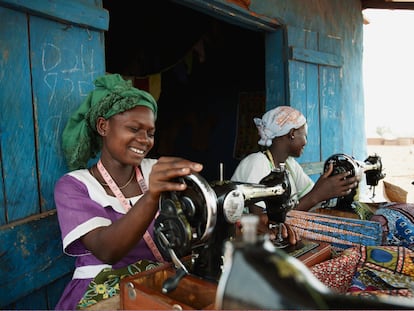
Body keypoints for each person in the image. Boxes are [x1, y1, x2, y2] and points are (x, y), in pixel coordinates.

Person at [53, 73, 203, 310]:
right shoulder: (74, 186)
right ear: (103, 126)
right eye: (134, 128)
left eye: (151, 133)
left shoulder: (154, 169)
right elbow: (107, 250)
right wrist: (152, 195)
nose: (144, 140)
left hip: (157, 283)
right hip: (102, 294)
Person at [231, 106, 360, 228]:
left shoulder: (290, 165)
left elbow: (312, 199)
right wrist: (317, 195)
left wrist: (331, 186)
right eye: (305, 135)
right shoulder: (256, 163)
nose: (306, 142)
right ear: (292, 133)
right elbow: (262, 224)